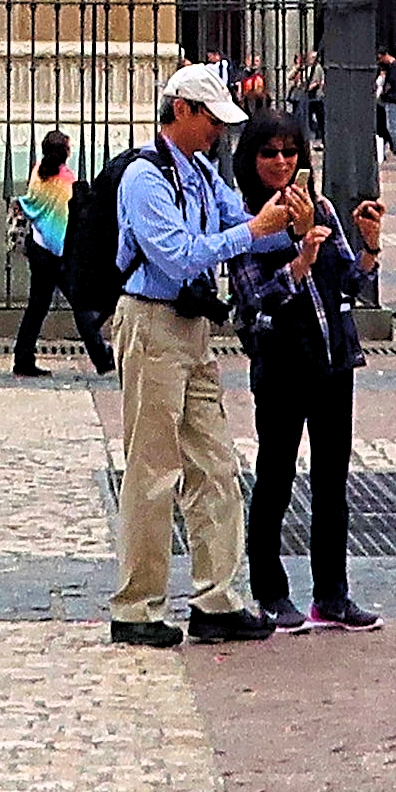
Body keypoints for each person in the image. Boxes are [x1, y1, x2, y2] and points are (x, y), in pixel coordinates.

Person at [110, 62, 292, 649]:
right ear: (181, 111)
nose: (219, 132)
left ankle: (216, 597)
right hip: (151, 324)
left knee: (215, 463)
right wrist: (254, 231)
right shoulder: (145, 178)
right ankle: (137, 606)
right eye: (212, 120)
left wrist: (291, 224)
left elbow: (240, 222)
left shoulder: (200, 173)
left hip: (192, 331)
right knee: (153, 467)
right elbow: (181, 257)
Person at [225, 113, 384, 633]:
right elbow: (250, 304)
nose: (281, 162)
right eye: (269, 153)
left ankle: (332, 595)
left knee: (333, 479)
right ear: (251, 159)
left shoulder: (322, 208)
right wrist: (297, 260)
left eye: (290, 152)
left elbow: (349, 284)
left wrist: (369, 246)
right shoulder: (246, 219)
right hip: (281, 363)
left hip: (333, 359)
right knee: (275, 476)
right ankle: (270, 592)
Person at [12, 129, 112, 378]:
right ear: (65, 154)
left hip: (38, 247)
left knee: (37, 306)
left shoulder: (38, 172)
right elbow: (73, 218)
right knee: (82, 305)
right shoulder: (67, 181)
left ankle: (23, 358)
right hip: (61, 255)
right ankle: (102, 358)